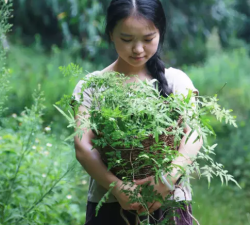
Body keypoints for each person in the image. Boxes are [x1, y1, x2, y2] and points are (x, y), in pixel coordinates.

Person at [72, 0, 203, 224]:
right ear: (110, 34)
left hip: (170, 201)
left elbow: (193, 135)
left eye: (148, 38)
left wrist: (167, 179)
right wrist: (117, 186)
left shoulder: (176, 81)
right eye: (126, 39)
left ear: (160, 33)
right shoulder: (92, 86)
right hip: (111, 205)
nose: (138, 49)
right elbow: (83, 146)